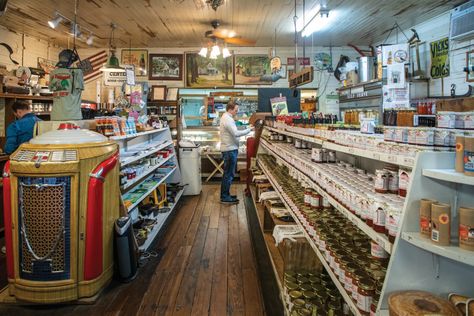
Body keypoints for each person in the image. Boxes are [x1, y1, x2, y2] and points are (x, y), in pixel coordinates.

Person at [219, 101, 252, 204]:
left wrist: (246, 127)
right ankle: (224, 197)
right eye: (236, 110)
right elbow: (236, 133)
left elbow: (235, 129)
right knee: (228, 174)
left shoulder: (227, 118)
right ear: (230, 109)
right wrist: (249, 130)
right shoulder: (227, 119)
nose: (236, 112)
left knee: (228, 174)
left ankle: (226, 195)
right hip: (229, 150)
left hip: (230, 149)